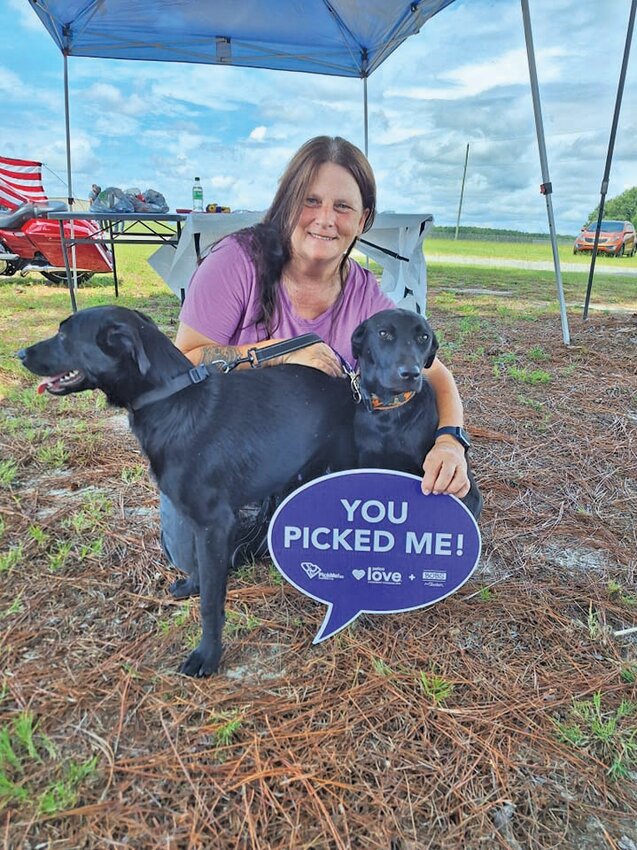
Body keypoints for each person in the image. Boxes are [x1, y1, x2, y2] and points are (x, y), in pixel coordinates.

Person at [161, 135, 471, 571]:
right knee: (195, 557)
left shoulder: (364, 295)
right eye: (311, 200)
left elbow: (437, 376)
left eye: (342, 206)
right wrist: (279, 353)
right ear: (287, 202)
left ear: (363, 219)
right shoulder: (236, 263)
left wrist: (449, 443)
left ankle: (289, 509)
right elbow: (181, 369)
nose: (325, 219)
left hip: (304, 451)